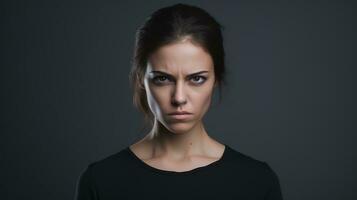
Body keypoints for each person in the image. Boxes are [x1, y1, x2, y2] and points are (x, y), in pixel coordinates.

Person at [74, 3, 283, 200]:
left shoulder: (256, 182)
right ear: (140, 79)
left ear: (216, 79)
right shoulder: (101, 181)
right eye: (163, 79)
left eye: (196, 79)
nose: (179, 98)